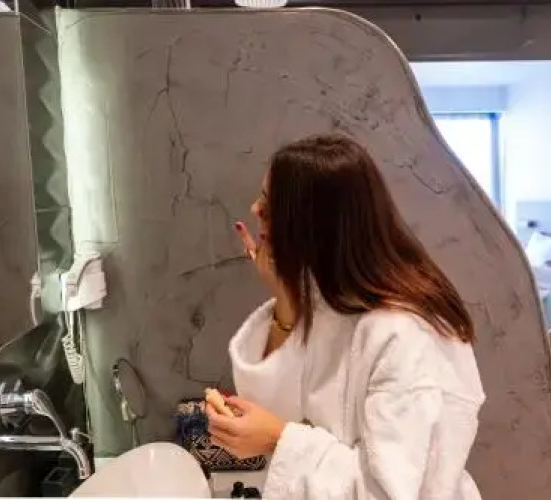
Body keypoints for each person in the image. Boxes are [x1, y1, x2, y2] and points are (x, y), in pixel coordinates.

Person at [205, 135, 485, 499]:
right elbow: (283, 409)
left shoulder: (406, 335)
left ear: (313, 222)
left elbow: (387, 492)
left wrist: (278, 440)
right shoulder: (336, 305)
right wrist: (287, 297)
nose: (255, 209)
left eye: (272, 205)